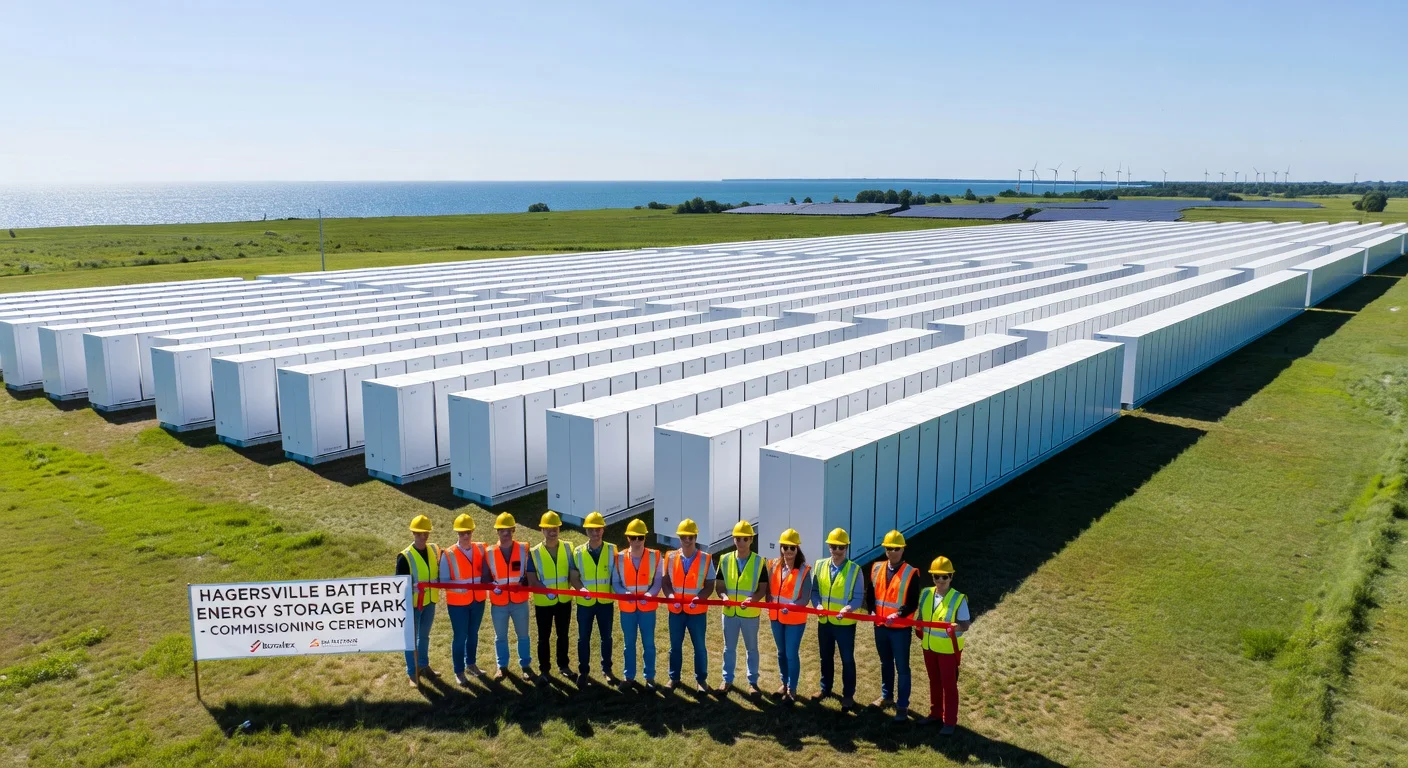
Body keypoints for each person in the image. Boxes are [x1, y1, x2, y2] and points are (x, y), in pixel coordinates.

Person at [866, 530, 923, 721]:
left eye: (896, 548)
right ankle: (886, 696)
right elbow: (871, 595)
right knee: (885, 662)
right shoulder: (876, 568)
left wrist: (898, 614)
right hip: (880, 626)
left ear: (903, 549)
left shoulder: (911, 573)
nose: (892, 552)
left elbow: (913, 601)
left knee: (902, 667)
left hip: (899, 629)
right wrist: (872, 612)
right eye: (889, 548)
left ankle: (902, 705)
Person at [811, 527, 864, 712]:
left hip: (845, 625)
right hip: (824, 622)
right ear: (829, 547)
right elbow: (815, 592)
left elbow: (858, 598)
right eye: (833, 546)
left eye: (841, 547)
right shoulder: (819, 565)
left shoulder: (855, 569)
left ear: (846, 548)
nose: (837, 550)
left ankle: (848, 695)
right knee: (825, 657)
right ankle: (825, 689)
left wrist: (847, 608)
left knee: (847, 659)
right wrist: (817, 605)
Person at [917, 556, 971, 734]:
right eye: (936, 577)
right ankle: (935, 714)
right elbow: (921, 618)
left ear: (951, 577)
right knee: (934, 682)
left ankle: (949, 722)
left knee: (949, 686)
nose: (940, 581)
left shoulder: (958, 598)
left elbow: (965, 625)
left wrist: (957, 627)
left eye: (944, 577)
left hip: (948, 651)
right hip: (929, 648)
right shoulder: (925, 593)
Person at [713, 520, 766, 696]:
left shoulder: (760, 562)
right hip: (729, 613)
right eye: (737, 538)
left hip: (750, 614)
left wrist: (754, 599)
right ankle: (727, 680)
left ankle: (752, 683)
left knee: (752, 648)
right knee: (729, 648)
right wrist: (724, 597)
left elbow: (763, 589)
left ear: (751, 539)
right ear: (733, 540)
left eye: (744, 538)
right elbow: (719, 586)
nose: (741, 542)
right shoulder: (724, 559)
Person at [661, 518, 714, 693]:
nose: (687, 539)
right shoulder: (670, 556)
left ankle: (701, 680)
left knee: (699, 647)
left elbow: (709, 584)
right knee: (675, 646)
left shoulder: (706, 558)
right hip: (676, 611)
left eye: (690, 536)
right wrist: (670, 596)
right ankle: (674, 678)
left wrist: (700, 597)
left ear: (695, 537)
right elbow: (665, 581)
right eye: (684, 536)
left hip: (696, 612)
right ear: (679, 537)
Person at [481, 512, 534, 680]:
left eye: (508, 530)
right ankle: (501, 667)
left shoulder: (524, 549)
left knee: (523, 635)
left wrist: (523, 583)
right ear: (497, 532)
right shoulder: (489, 552)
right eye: (502, 530)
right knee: (501, 637)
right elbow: (484, 578)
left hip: (520, 601)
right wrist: (492, 586)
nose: (505, 533)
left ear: (513, 530)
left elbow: (530, 574)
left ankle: (525, 665)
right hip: (499, 603)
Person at [612, 518, 662, 689]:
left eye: (640, 537)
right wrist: (624, 593)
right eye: (633, 537)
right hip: (627, 608)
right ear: (628, 538)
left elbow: (657, 581)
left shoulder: (655, 556)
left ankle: (649, 678)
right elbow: (616, 582)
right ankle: (629, 677)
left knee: (649, 644)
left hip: (647, 608)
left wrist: (650, 594)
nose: (637, 541)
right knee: (629, 644)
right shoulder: (618, 558)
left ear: (645, 538)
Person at [569, 511, 618, 686]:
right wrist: (580, 588)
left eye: (598, 529)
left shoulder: (613, 550)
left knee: (606, 637)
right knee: (583, 638)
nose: (595, 533)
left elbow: (617, 576)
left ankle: (607, 670)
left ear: (603, 530)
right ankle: (583, 671)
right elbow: (574, 576)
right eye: (591, 529)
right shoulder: (578, 552)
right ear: (586, 531)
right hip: (585, 603)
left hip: (605, 602)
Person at [439, 513, 488, 686]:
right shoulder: (449, 554)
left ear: (472, 531)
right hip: (458, 604)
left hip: (478, 601)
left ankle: (471, 664)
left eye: (468, 532)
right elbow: (443, 582)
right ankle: (459, 671)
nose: (465, 536)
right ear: (457, 534)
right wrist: (464, 586)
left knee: (473, 634)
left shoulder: (481, 549)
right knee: (460, 636)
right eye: (461, 533)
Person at [527, 511, 573, 681]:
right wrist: (548, 592)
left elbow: (572, 573)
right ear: (542, 530)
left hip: (564, 601)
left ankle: (564, 665)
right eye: (549, 528)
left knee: (563, 635)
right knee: (543, 637)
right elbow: (532, 580)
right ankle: (544, 669)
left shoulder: (569, 547)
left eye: (556, 528)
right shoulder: (534, 552)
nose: (553, 531)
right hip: (543, 603)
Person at [767, 528, 812, 702]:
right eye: (785, 547)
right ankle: (783, 684)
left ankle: (792, 688)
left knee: (791, 653)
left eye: (792, 548)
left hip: (794, 619)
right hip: (776, 617)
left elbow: (805, 597)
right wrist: (769, 601)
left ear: (797, 549)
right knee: (781, 652)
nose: (788, 551)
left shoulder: (804, 570)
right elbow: (769, 591)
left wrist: (793, 606)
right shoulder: (773, 565)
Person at [396, 515, 441, 687]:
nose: (423, 536)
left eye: (426, 533)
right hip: (412, 605)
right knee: (410, 639)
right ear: (413, 533)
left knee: (424, 636)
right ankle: (412, 673)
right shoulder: (405, 556)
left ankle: (423, 665)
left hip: (429, 602)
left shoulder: (433, 550)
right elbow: (398, 585)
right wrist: (411, 589)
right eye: (420, 533)